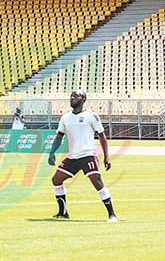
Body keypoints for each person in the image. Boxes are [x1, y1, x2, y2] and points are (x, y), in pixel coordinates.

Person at [48, 91, 117, 222]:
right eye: (71, 96)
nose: (72, 98)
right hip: (73, 157)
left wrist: (106, 156)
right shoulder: (65, 117)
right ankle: (63, 212)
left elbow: (102, 136)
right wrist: (52, 152)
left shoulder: (91, 116)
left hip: (87, 155)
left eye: (76, 96)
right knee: (56, 180)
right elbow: (59, 136)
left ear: (84, 99)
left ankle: (112, 214)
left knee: (97, 182)